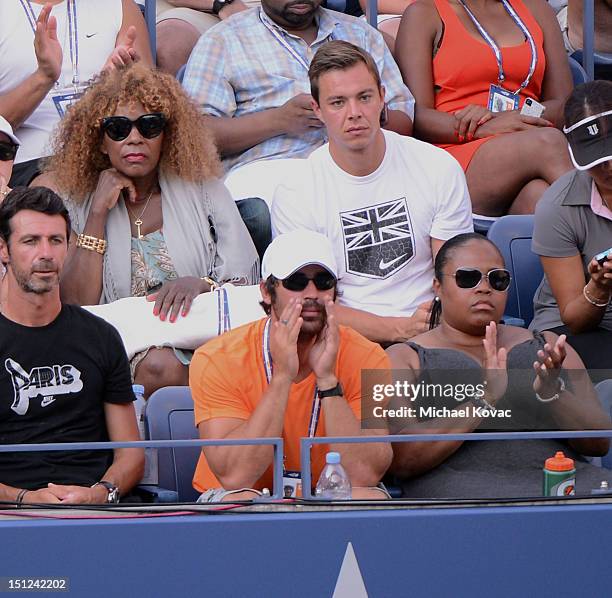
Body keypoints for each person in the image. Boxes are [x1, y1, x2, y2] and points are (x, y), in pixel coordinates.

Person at [40, 63, 260, 398]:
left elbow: (246, 274)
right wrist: (98, 213)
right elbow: (77, 304)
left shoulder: (202, 188)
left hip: (201, 332)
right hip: (125, 346)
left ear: (166, 135)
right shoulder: (79, 205)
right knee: (157, 366)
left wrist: (203, 283)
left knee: (169, 365)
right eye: (117, 128)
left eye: (149, 126)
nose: (134, 138)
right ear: (100, 142)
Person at [272, 41, 473, 345]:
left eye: (364, 97)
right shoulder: (296, 190)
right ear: (318, 110)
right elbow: (307, 305)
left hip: (436, 329)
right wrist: (400, 329)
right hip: (343, 340)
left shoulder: (437, 166)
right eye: (338, 102)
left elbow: (457, 276)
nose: (354, 113)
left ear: (382, 98)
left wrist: (434, 323)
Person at [385, 233, 611, 498]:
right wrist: (484, 399)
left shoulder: (548, 345)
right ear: (437, 286)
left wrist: (552, 393)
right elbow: (402, 459)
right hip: (461, 495)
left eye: (497, 279)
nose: (484, 288)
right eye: (467, 278)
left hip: (559, 483)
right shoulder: (402, 356)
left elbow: (599, 442)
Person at [190, 230, 393, 501]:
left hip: (329, 493)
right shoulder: (216, 358)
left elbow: (366, 474)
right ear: (266, 291)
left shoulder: (370, 356)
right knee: (239, 499)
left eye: (323, 281)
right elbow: (235, 476)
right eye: (296, 282)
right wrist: (283, 376)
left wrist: (328, 381)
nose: (312, 294)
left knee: (370, 497)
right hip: (243, 498)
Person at [0, 186, 144, 505]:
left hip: (92, 512)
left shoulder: (100, 336)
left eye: (56, 240)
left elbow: (131, 455)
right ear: (3, 250)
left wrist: (99, 493)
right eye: (30, 241)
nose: (46, 254)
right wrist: (25, 498)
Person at [182, 0, 415, 187]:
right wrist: (277, 120)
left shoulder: (360, 33)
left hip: (362, 169)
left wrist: (361, 109)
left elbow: (404, 119)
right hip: (272, 175)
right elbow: (195, 134)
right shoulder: (223, 40)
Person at [395, 0, 574, 216]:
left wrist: (514, 118)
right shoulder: (424, 14)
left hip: (528, 134)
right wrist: (485, 126)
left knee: (538, 198)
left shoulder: (536, 8)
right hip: (456, 150)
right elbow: (416, 116)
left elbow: (564, 104)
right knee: (549, 142)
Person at [1, 0, 153, 188]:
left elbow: (153, 104)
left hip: (109, 151)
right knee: (59, 190)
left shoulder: (120, 5)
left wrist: (109, 87)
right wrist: (43, 78)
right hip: (29, 161)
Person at [531, 81, 612, 381]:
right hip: (576, 331)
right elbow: (575, 319)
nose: (609, 166)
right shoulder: (557, 206)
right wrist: (599, 288)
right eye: (597, 159)